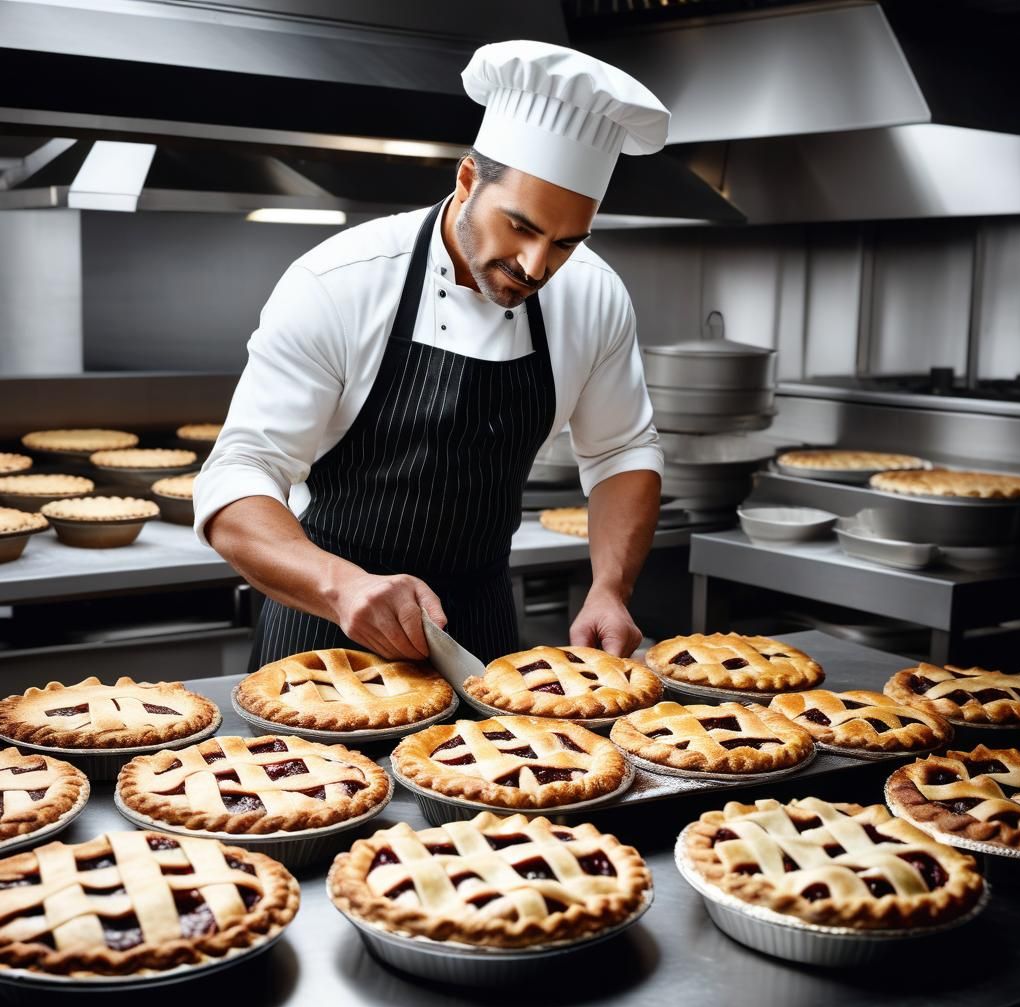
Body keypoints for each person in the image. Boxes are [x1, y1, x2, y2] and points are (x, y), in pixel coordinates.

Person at [193, 40, 670, 670]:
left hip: (482, 631)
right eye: (521, 227)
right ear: (467, 179)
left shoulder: (593, 294)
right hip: (328, 631)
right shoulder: (340, 282)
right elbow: (239, 474)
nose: (535, 266)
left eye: (564, 243)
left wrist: (610, 588)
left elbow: (621, 452)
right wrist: (342, 586)